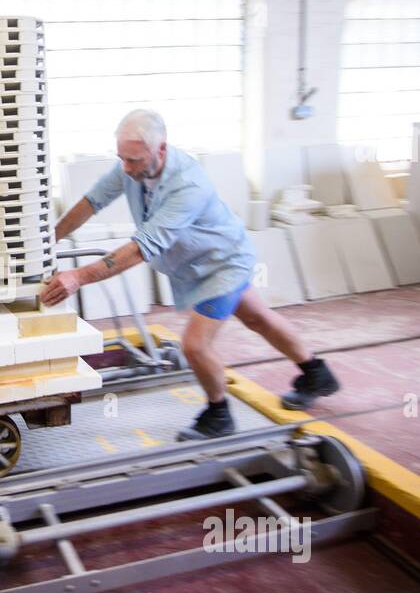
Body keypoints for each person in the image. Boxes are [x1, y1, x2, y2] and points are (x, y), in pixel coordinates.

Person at [39, 109, 340, 439]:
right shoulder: (131, 165)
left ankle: (219, 415)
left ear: (161, 150)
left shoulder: (187, 185)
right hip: (196, 263)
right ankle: (316, 373)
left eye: (134, 160)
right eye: (122, 158)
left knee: (195, 346)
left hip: (222, 264)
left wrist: (77, 277)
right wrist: (48, 238)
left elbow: (141, 248)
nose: (126, 168)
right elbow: (91, 202)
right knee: (258, 318)